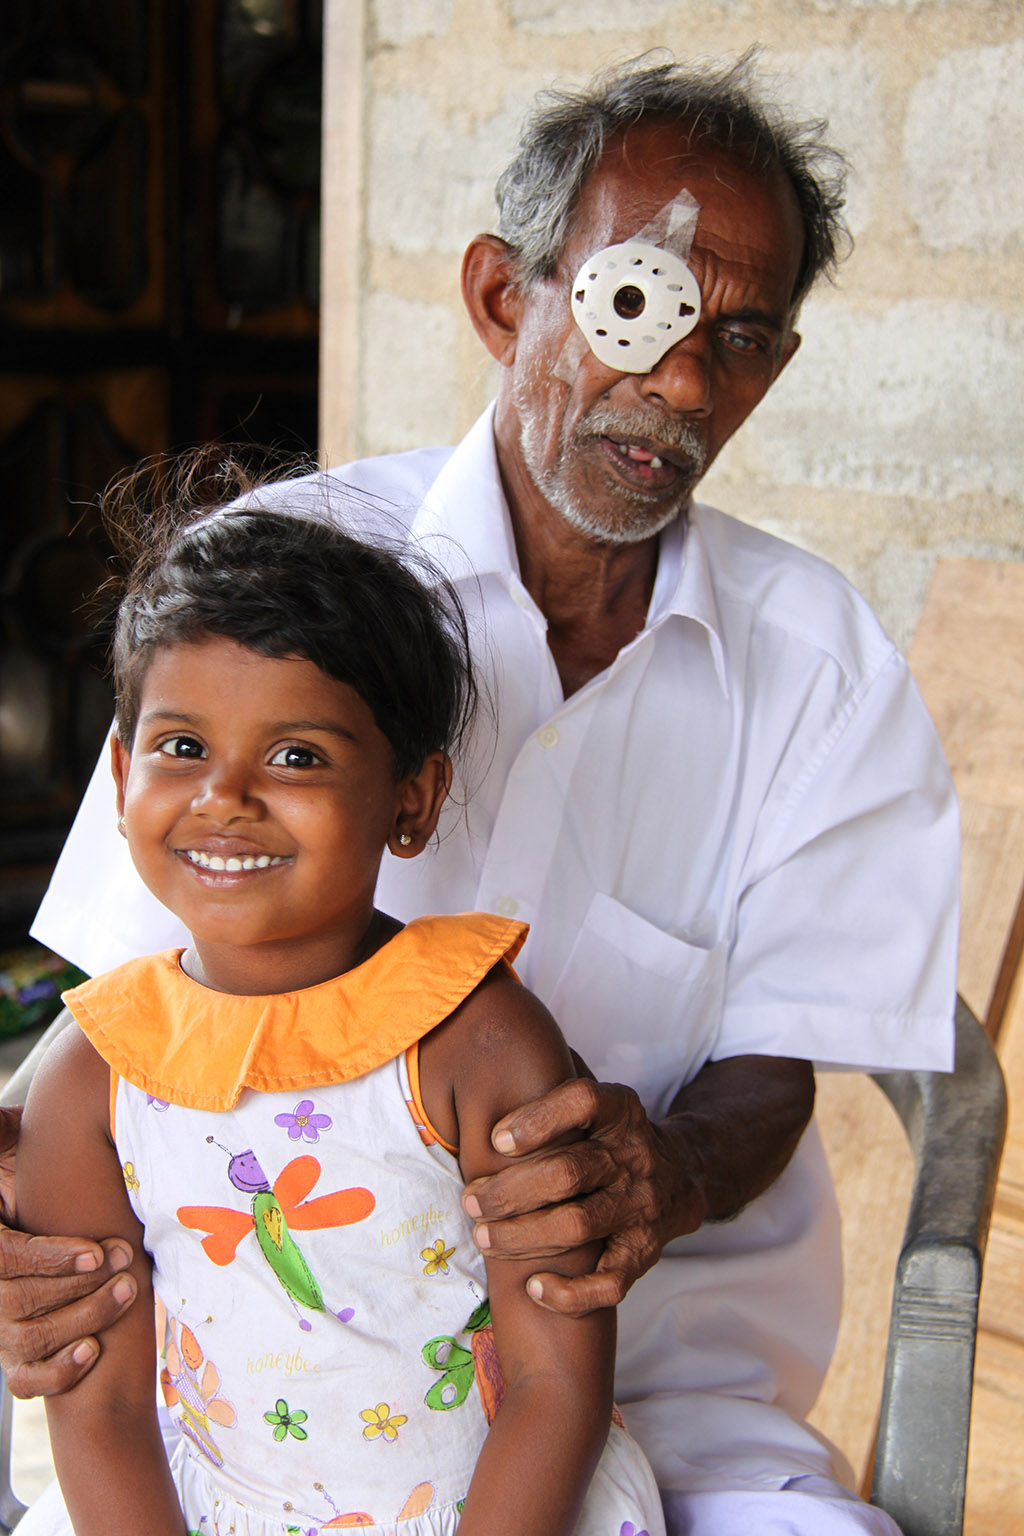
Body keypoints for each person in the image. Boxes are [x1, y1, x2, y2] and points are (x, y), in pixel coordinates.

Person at [15, 54, 958, 1536]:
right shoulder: (268, 601)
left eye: (746, 338)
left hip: (666, 1391)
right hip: (233, 1404)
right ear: (503, 295)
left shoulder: (821, 668)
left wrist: (667, 1172)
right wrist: (30, 1230)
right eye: (633, 305)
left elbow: (783, 1068)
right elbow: (116, 1020)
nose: (684, 381)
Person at [14, 486, 666, 1536]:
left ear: (412, 800)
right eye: (181, 747)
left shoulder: (476, 1044)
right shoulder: (94, 1074)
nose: (225, 795)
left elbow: (556, 1388)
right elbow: (97, 1408)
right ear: (123, 774)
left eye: (297, 756)